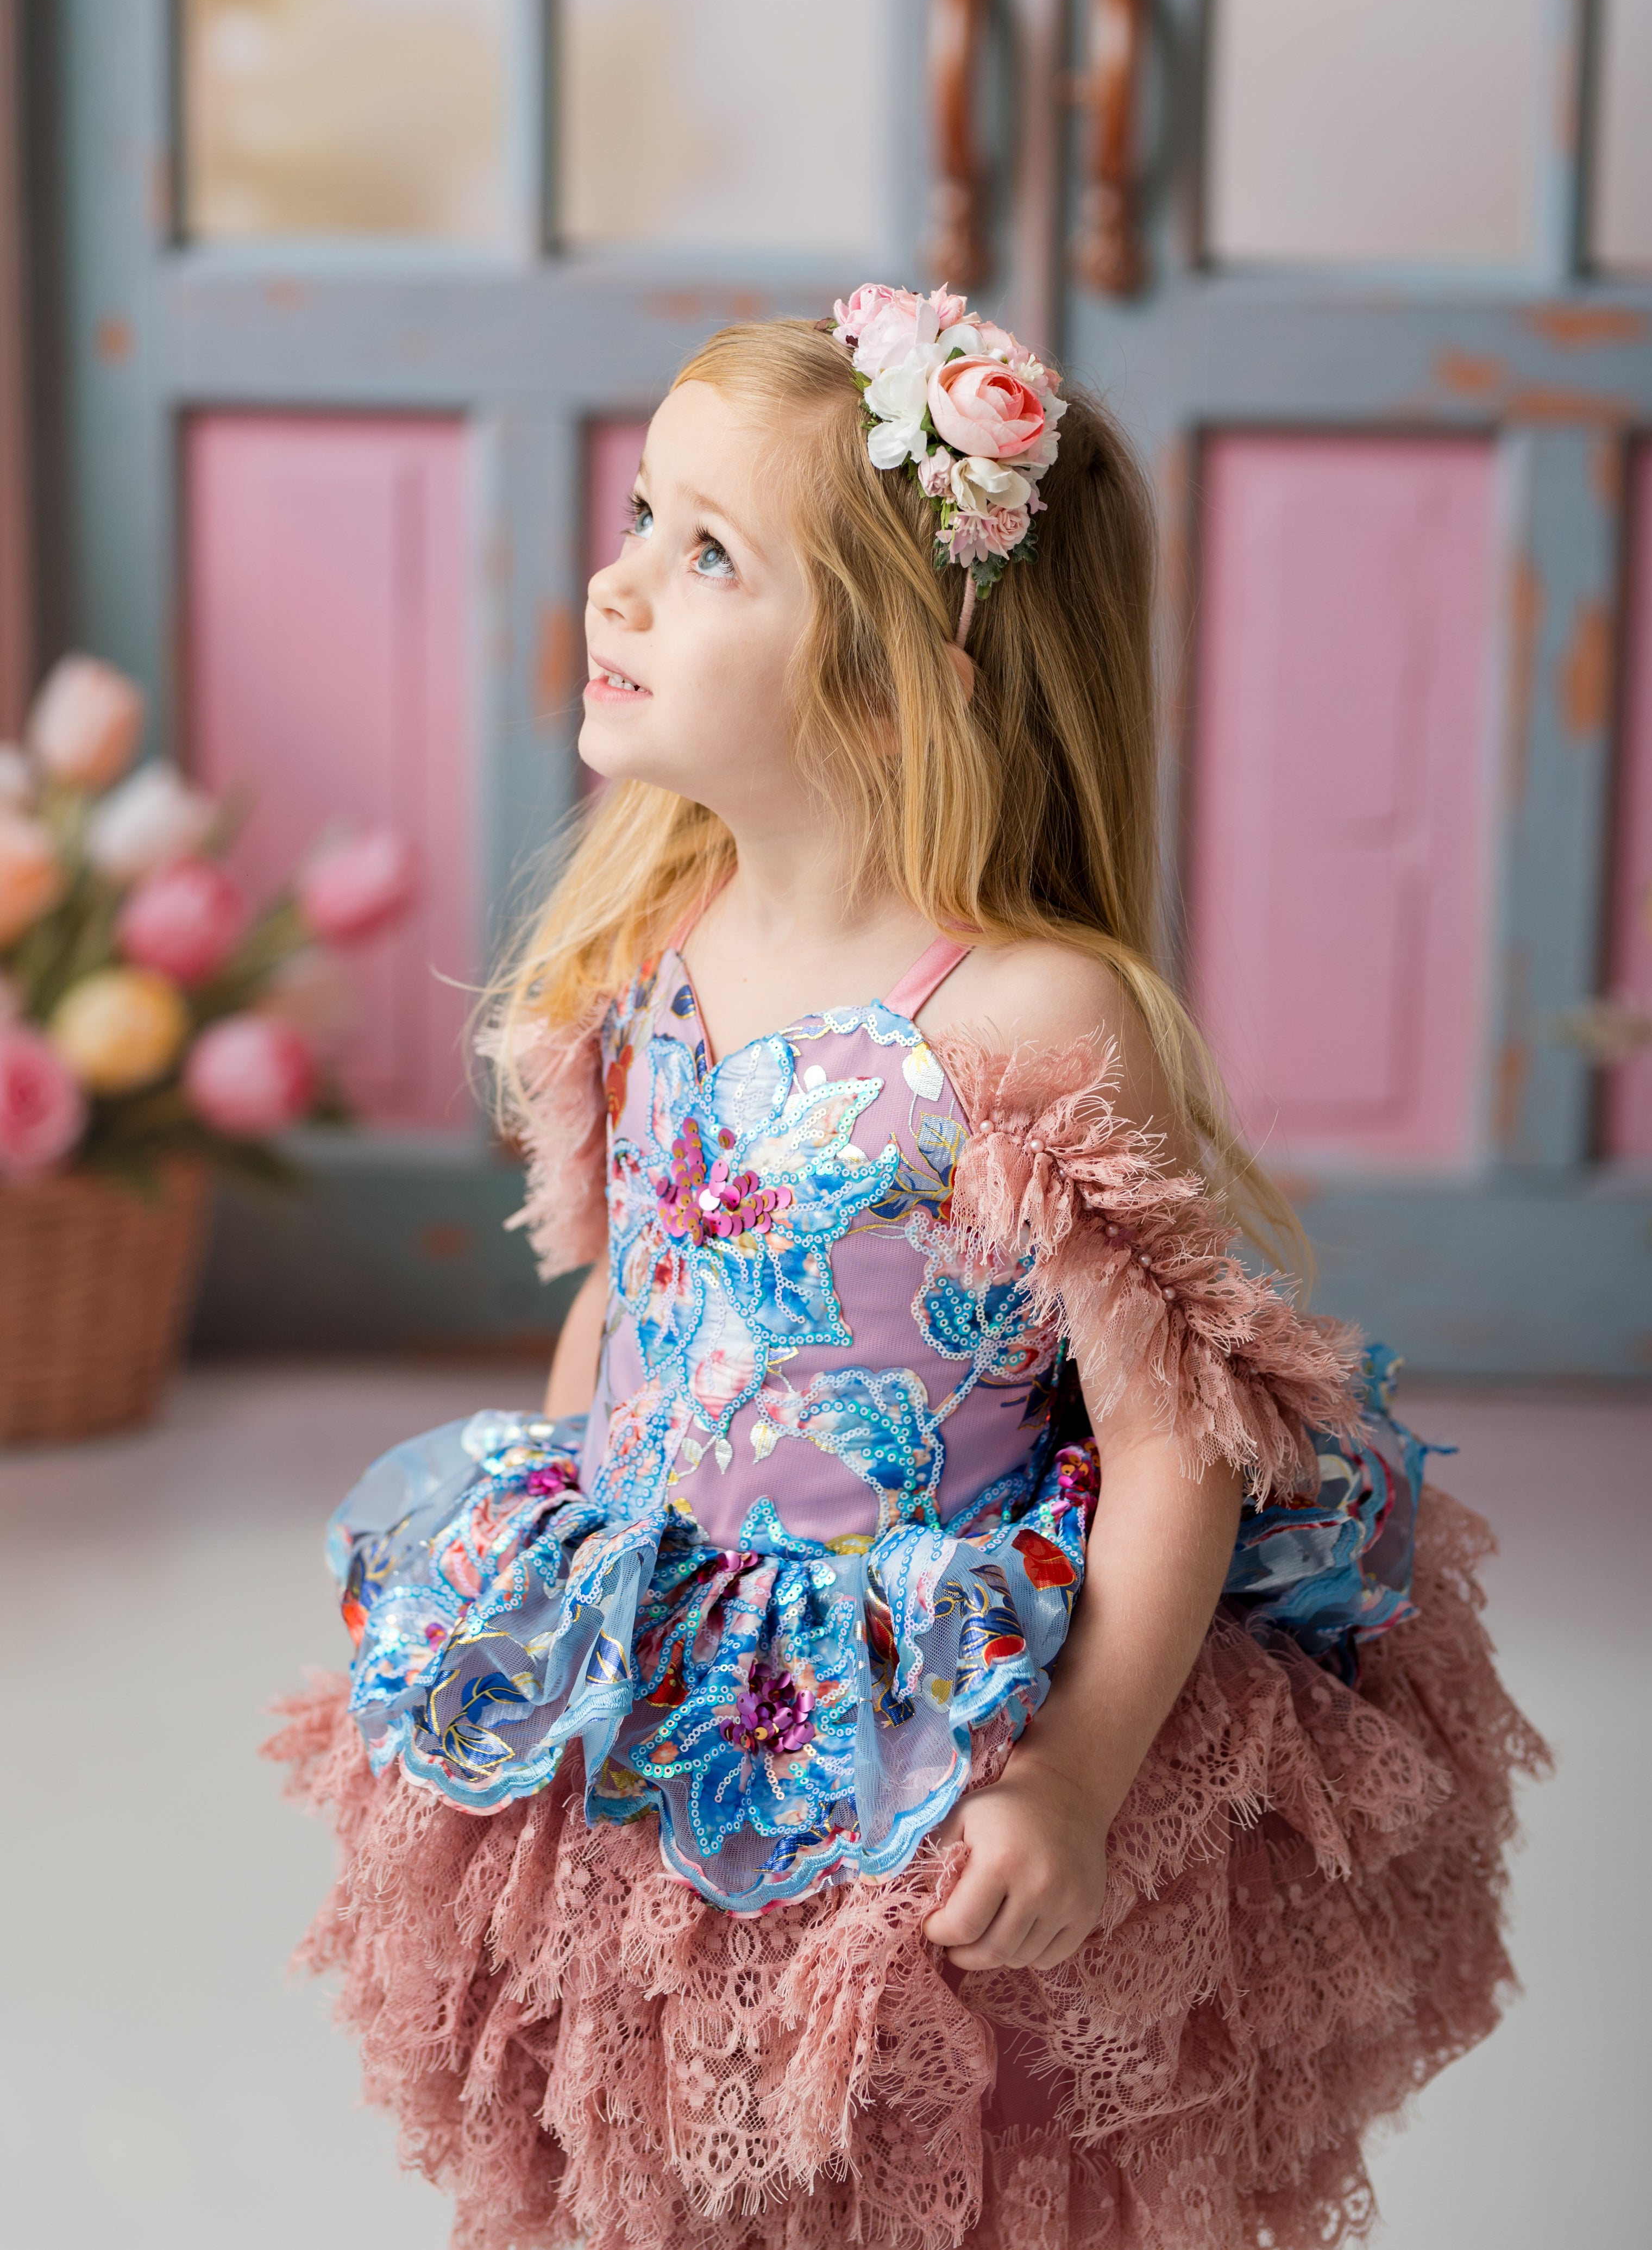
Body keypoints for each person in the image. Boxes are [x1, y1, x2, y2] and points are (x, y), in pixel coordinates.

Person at [272, 288, 1546, 2250]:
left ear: (892, 683)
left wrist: (1076, 1782)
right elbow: (628, 1306)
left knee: (923, 2138)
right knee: (670, 2133)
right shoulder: (653, 935)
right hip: (674, 1677)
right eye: (642, 515)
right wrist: (558, 1602)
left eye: (709, 553)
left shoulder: (1021, 1019)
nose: (618, 581)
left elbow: (1176, 1437)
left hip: (926, 1713)